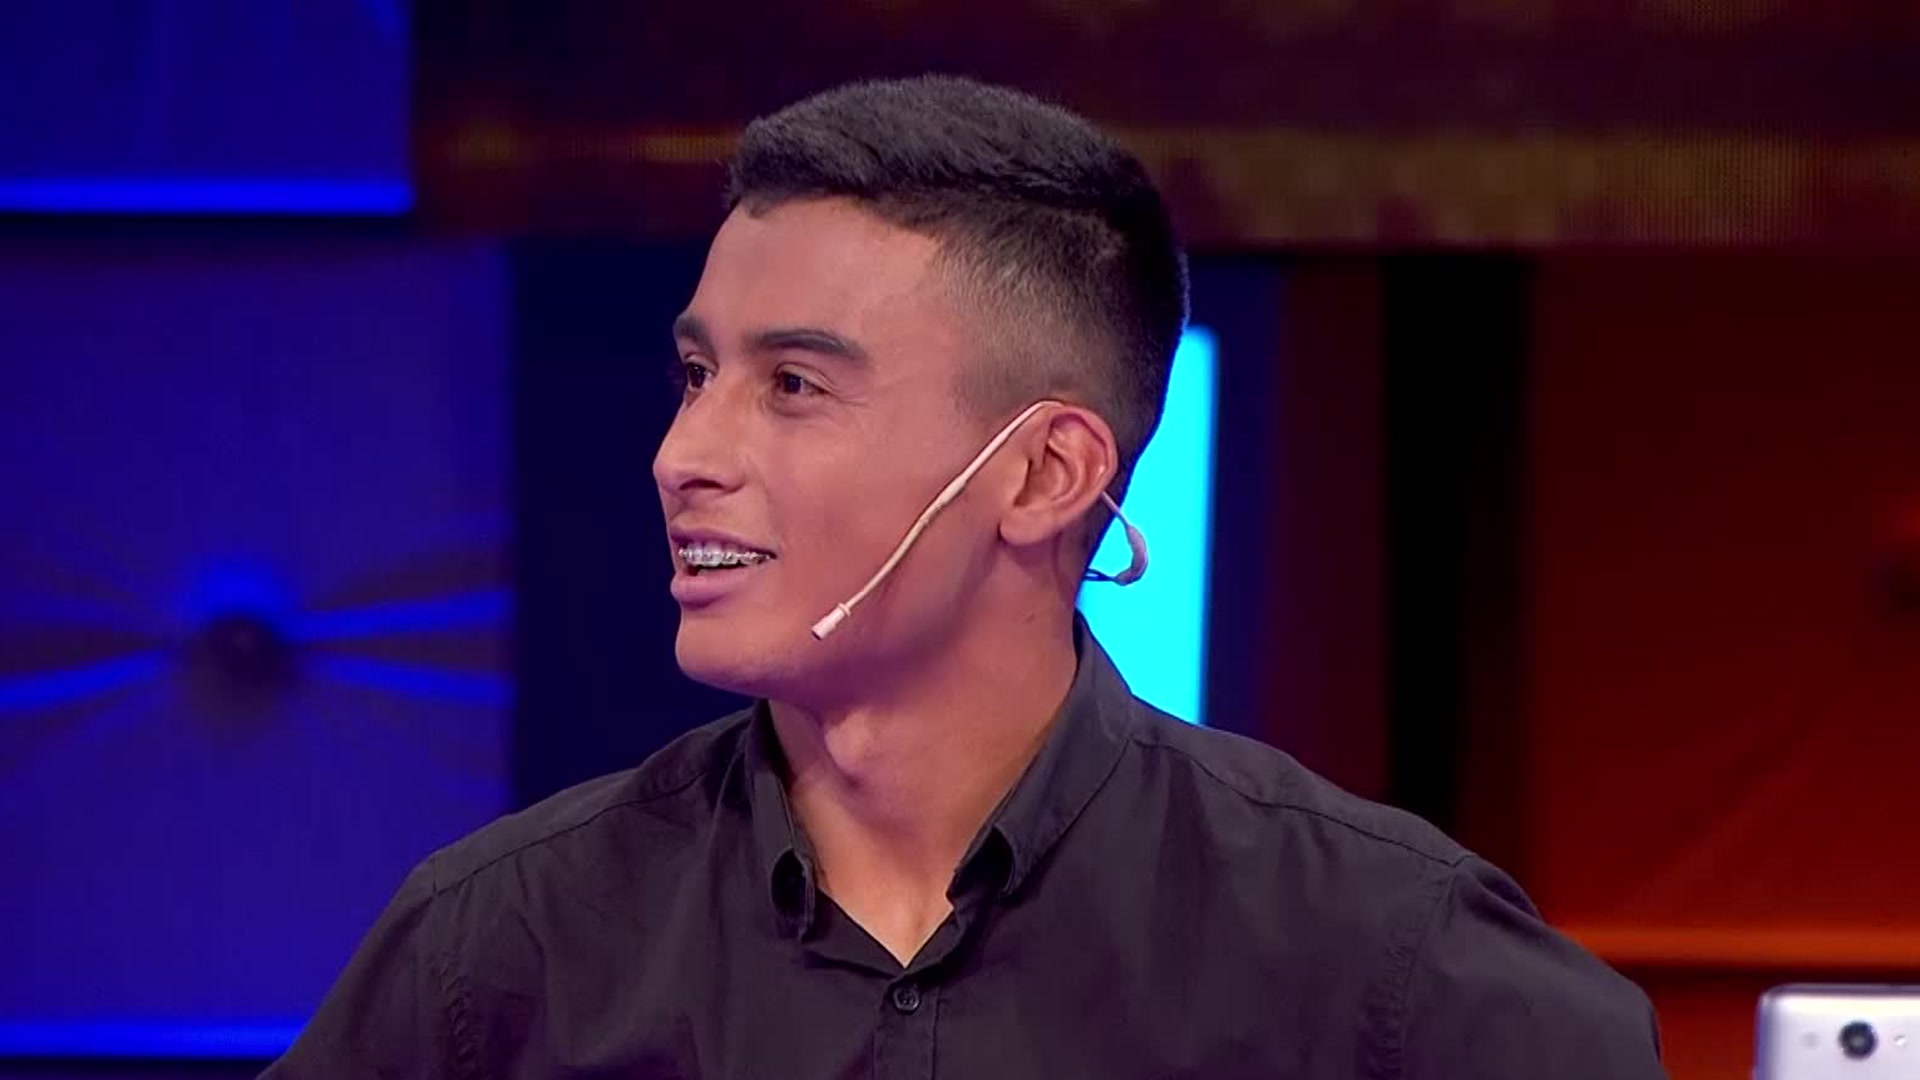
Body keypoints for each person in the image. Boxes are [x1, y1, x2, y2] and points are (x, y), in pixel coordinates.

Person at [264, 75, 1664, 1078]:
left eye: (793, 385)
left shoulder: (1375, 960)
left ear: (1046, 474)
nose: (683, 456)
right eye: (696, 375)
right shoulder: (504, 953)